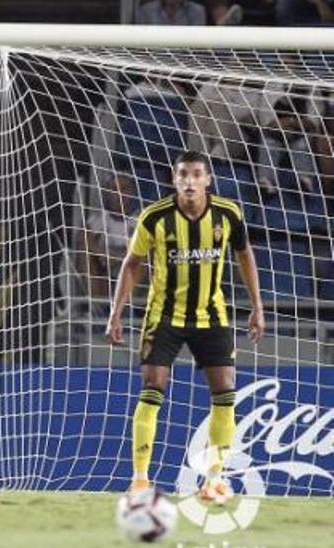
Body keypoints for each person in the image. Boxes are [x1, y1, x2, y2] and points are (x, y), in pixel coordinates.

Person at [106, 150, 264, 503]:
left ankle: (215, 480)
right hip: (164, 315)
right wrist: (116, 313)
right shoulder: (155, 218)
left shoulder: (228, 213)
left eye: (196, 174)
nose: (190, 181)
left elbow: (244, 254)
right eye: (183, 175)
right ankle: (141, 479)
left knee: (225, 389)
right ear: (173, 180)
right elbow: (132, 264)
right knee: (152, 384)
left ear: (208, 179)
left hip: (212, 314)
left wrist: (257, 306)